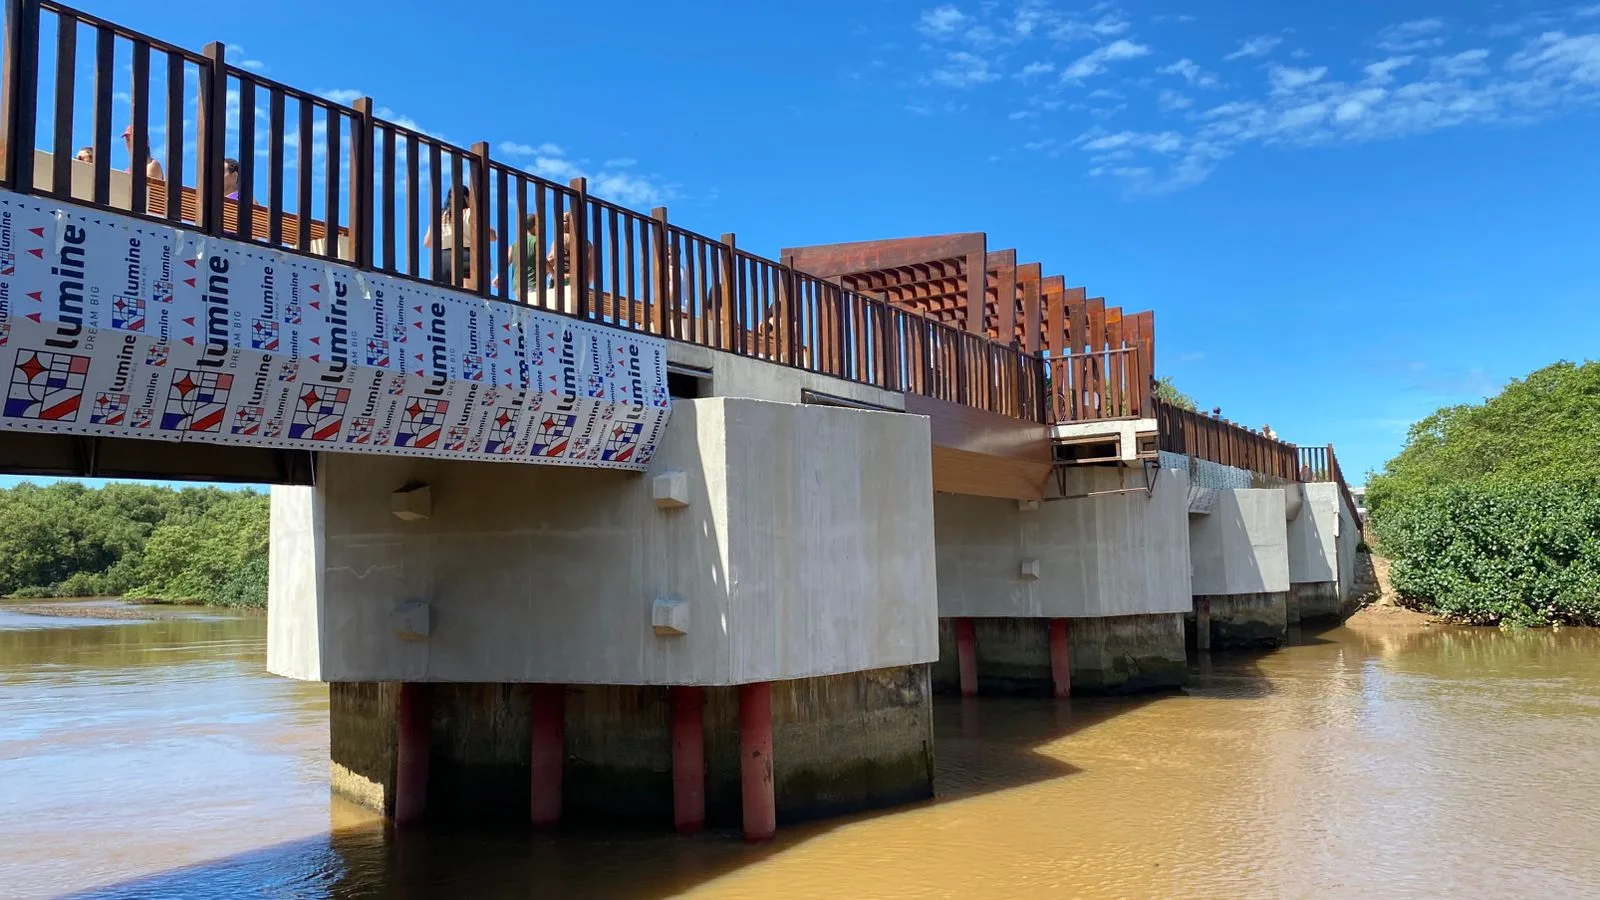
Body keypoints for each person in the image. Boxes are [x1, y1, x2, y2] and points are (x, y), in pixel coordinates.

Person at [423, 186, 496, 286]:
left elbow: (427, 243)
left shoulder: (440, 216)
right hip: (467, 256)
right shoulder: (470, 213)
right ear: (467, 198)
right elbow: (492, 236)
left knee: (446, 297)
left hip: (442, 260)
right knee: (470, 297)